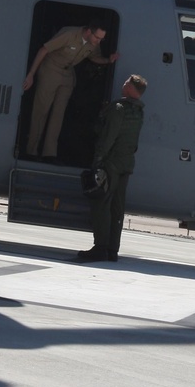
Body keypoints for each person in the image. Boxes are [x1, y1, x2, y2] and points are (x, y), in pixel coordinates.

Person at [76, 74, 147, 263]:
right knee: (117, 208)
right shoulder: (139, 112)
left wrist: (98, 159)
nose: (123, 85)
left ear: (131, 89)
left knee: (101, 204)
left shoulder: (118, 109)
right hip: (126, 163)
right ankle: (112, 250)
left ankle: (100, 247)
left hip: (112, 163)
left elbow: (109, 136)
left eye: (126, 83)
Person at [23, 22, 119, 159]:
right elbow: (44, 50)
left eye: (101, 39)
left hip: (67, 75)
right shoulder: (69, 34)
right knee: (41, 111)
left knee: (58, 114)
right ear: (88, 32)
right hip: (51, 70)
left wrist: (108, 60)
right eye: (97, 38)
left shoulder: (94, 44)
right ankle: (31, 152)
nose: (98, 41)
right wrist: (31, 74)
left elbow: (94, 57)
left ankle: (49, 154)